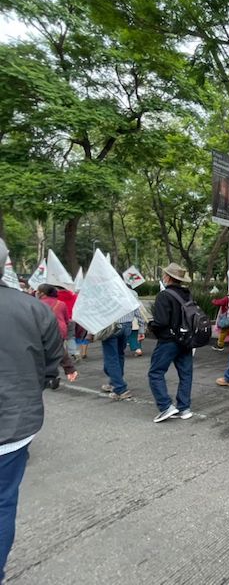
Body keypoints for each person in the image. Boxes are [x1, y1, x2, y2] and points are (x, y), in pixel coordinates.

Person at [0, 238, 64, 582]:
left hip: (14, 423)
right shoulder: (33, 308)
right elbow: (50, 360)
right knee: (2, 504)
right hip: (15, 425)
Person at [147, 262, 195, 422]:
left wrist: (150, 325)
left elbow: (161, 322)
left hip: (169, 341)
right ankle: (184, 408)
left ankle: (166, 406)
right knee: (186, 374)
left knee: (155, 372)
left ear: (168, 277)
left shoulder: (164, 295)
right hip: (186, 339)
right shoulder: (187, 294)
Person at [98, 291, 144, 401]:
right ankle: (115, 381)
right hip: (127, 326)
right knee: (119, 355)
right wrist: (141, 329)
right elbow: (138, 312)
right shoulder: (131, 293)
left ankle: (120, 388)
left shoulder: (107, 293)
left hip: (112, 326)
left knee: (111, 358)